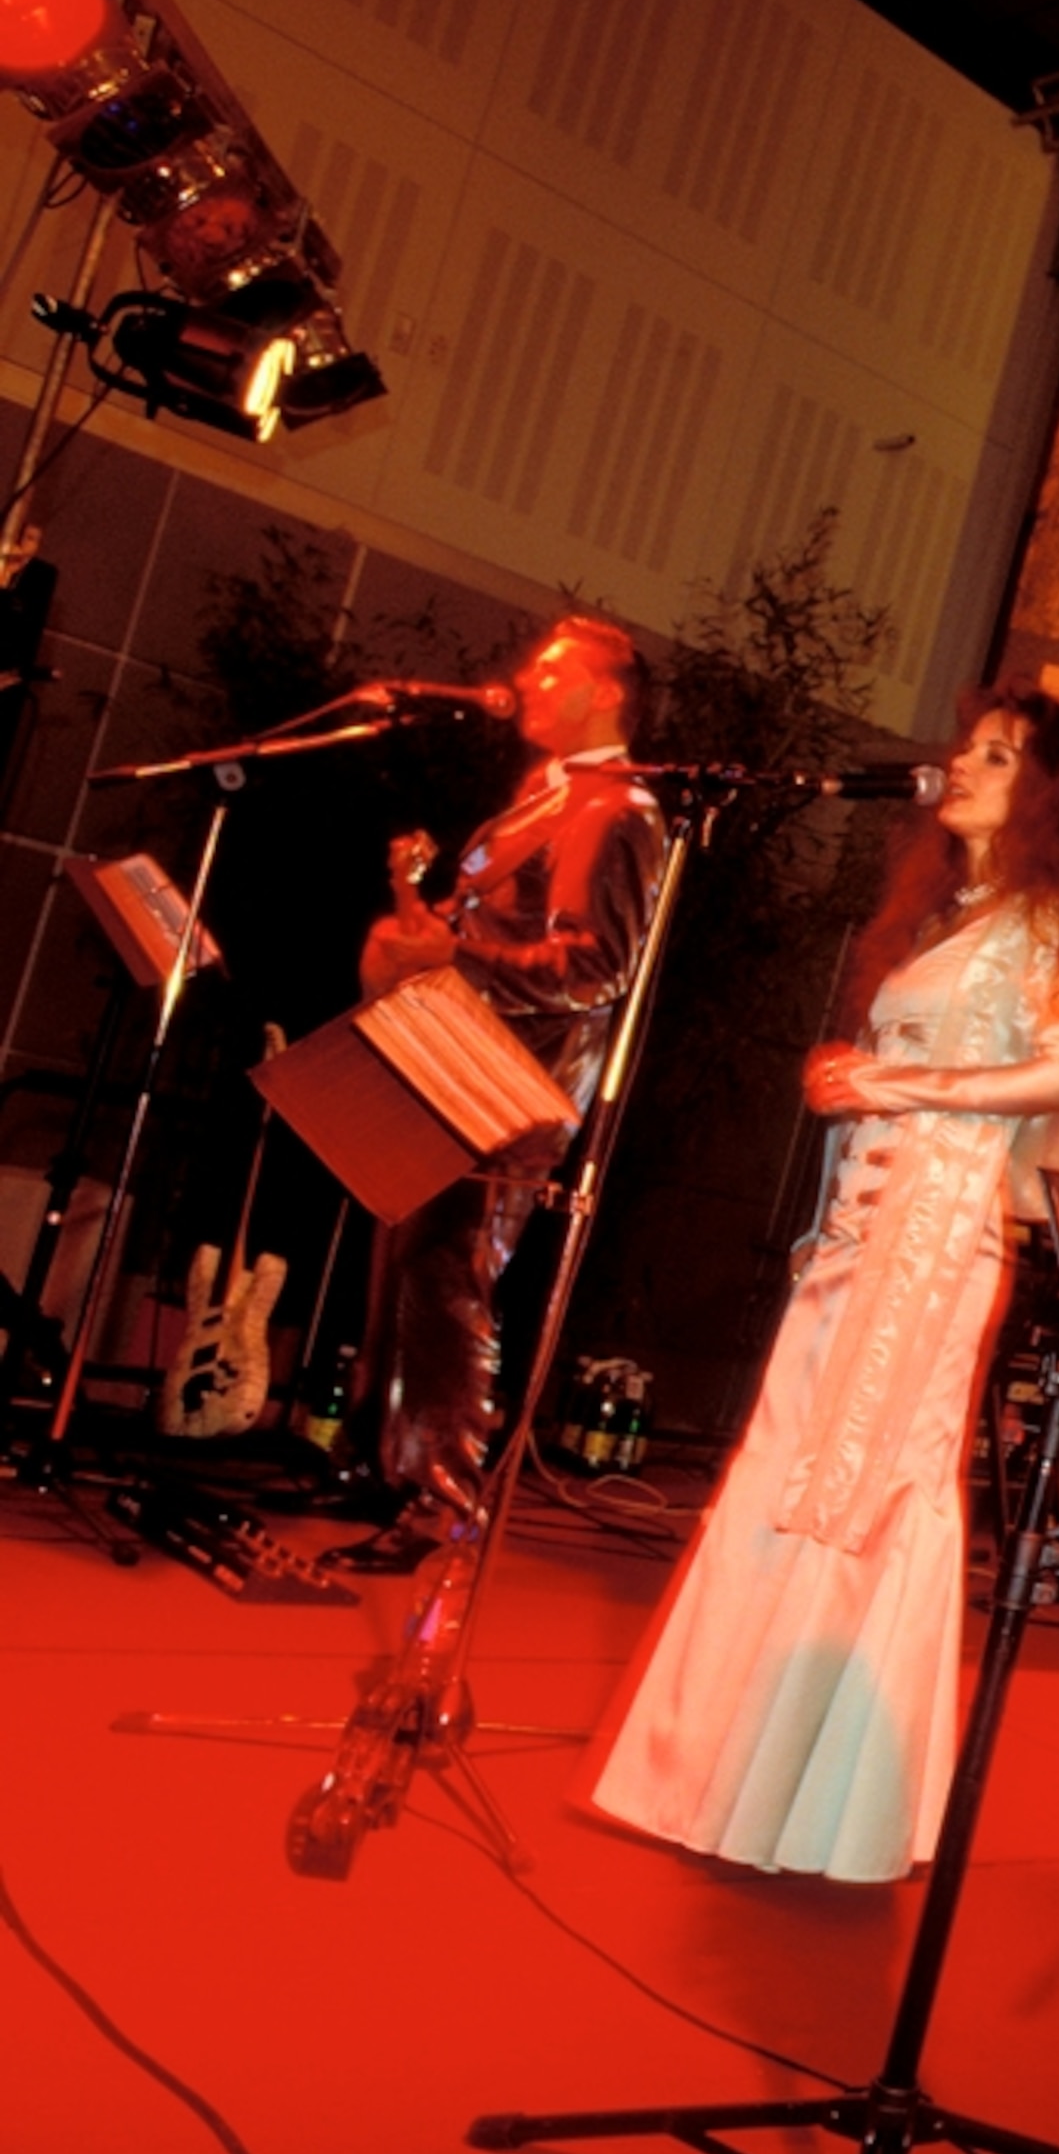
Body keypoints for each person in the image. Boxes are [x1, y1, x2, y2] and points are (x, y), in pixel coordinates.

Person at [582, 682, 1059, 1882]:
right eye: (966, 744)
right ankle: (715, 1773)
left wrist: (895, 1089)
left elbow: (1058, 1074)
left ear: (1047, 791)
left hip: (938, 1235)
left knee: (874, 1483)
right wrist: (853, 1083)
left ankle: (834, 1804)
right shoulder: (954, 914)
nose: (962, 765)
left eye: (997, 754)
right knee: (786, 1468)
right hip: (866, 1227)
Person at [323, 615, 666, 1572]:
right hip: (450, 1060)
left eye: (554, 672)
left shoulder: (619, 809)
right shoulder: (533, 804)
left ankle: (439, 1502)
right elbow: (469, 938)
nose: (527, 681)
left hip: (511, 1085)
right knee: (406, 1268)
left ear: (605, 694)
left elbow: (595, 969)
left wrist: (458, 953)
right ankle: (381, 1468)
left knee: (446, 1277)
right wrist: (416, 930)